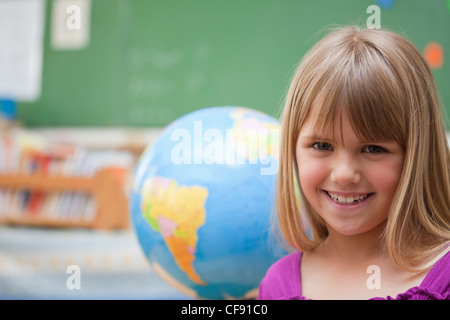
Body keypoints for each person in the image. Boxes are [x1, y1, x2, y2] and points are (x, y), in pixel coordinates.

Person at [259, 26, 450, 300]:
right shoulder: (277, 286)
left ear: (417, 155)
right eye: (322, 146)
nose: (345, 174)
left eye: (373, 148)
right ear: (293, 148)